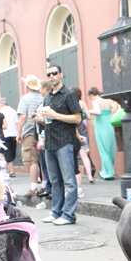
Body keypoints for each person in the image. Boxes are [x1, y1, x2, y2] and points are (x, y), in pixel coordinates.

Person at [35, 65, 81, 225]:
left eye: (54, 73)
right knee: (54, 181)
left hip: (65, 142)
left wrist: (56, 115)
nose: (52, 76)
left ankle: (68, 215)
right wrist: (41, 119)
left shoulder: (69, 94)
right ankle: (56, 212)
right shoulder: (47, 97)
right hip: (50, 142)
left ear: (61, 74)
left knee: (69, 181)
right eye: (49, 74)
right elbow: (49, 120)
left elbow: (77, 118)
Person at [16, 75, 46, 197]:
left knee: (33, 160)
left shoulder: (25, 98)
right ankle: (44, 184)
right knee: (43, 160)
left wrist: (19, 133)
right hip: (42, 131)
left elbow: (22, 116)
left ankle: (33, 186)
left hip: (29, 131)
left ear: (27, 86)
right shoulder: (42, 97)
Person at [87, 87, 118, 180]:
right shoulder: (108, 100)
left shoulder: (95, 101)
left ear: (92, 95)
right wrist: (111, 112)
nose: (90, 99)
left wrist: (88, 111)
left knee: (103, 150)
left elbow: (98, 112)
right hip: (109, 124)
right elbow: (115, 104)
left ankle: (108, 173)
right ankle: (108, 170)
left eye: (90, 97)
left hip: (100, 126)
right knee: (110, 149)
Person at [71, 86, 96, 188]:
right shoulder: (82, 103)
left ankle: (75, 176)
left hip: (73, 129)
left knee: (72, 156)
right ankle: (90, 176)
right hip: (82, 128)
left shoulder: (70, 102)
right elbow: (89, 116)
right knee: (84, 154)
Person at [0, 97, 19, 177]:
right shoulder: (13, 111)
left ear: (2, 104)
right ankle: (11, 169)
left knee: (7, 152)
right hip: (13, 133)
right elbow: (17, 122)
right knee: (12, 152)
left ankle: (11, 170)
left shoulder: (0, 112)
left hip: (5, 133)